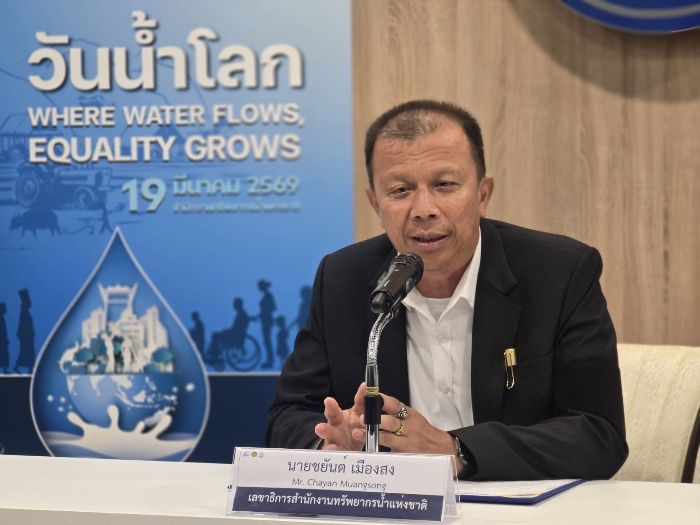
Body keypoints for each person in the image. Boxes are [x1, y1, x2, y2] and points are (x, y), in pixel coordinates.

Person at [266, 100, 627, 481]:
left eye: (444, 185)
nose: (424, 209)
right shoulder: (343, 279)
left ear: (482, 194)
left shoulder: (559, 273)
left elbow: (598, 434)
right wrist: (330, 443)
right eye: (400, 190)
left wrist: (455, 449)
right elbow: (287, 415)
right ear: (376, 203)